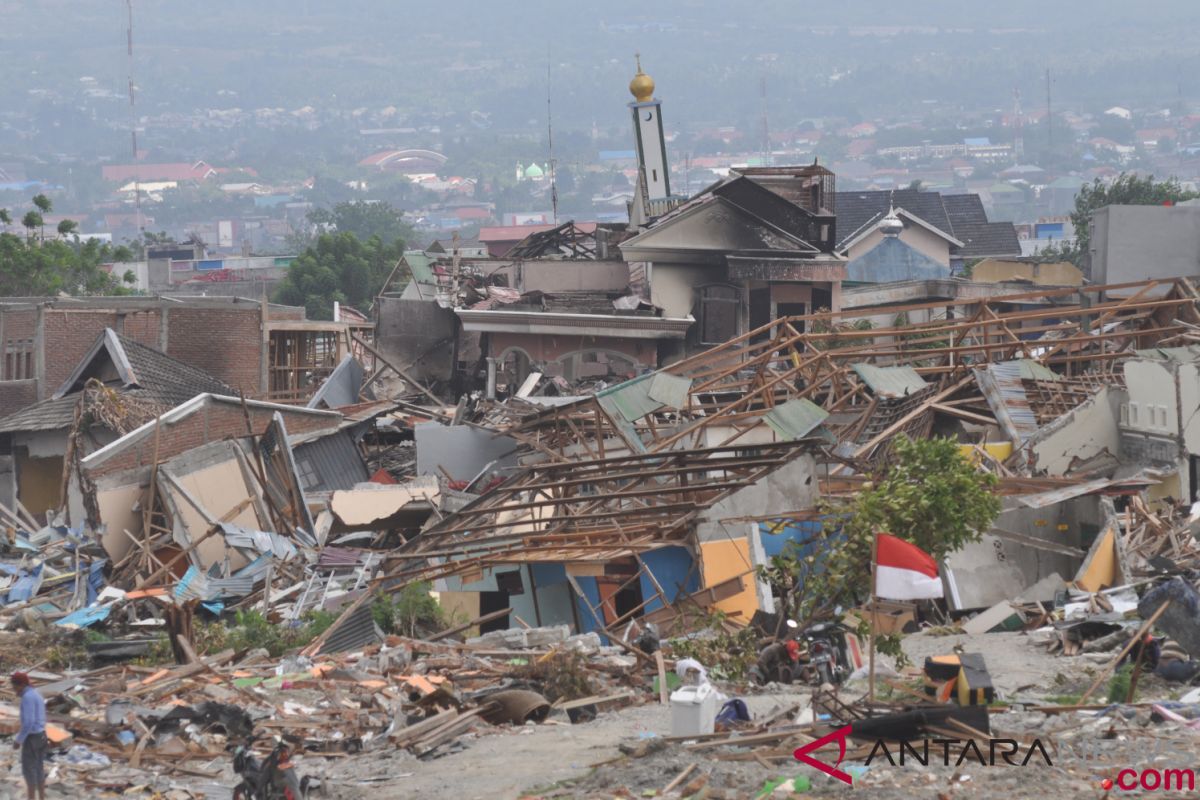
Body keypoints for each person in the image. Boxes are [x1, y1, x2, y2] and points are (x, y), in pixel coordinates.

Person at [11, 672, 46, 800]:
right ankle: (41, 797)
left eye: (14, 687)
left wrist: (19, 740)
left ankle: (31, 798)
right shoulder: (36, 694)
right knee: (39, 767)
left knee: (29, 770)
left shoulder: (27, 697)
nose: (14, 690)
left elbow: (28, 722)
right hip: (42, 735)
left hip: (32, 738)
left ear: (21, 685)